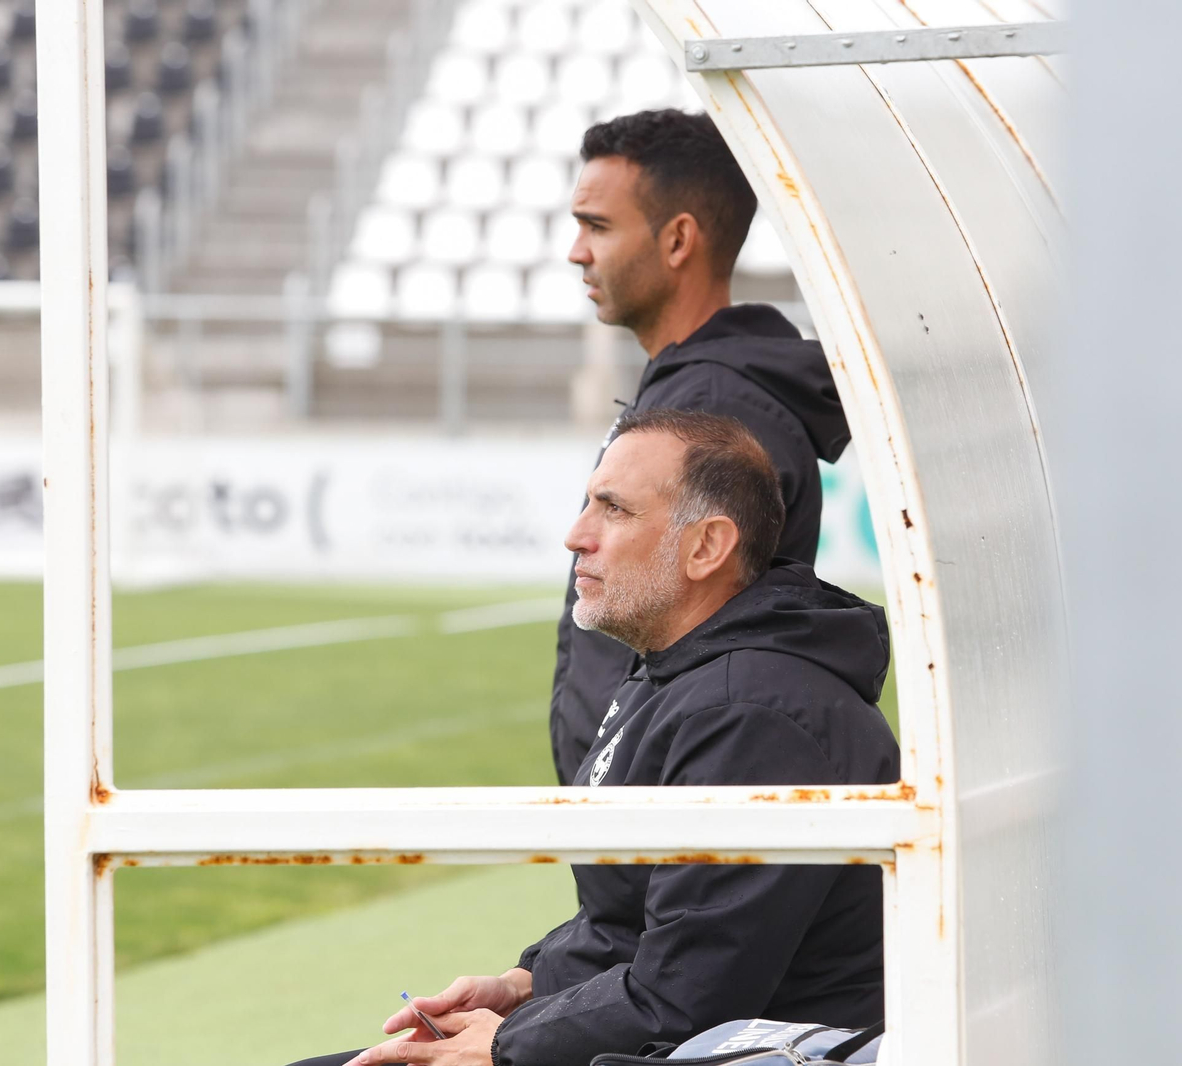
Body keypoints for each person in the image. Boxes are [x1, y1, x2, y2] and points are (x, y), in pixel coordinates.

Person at [285, 410, 899, 1066]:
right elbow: (630, 923)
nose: (577, 535)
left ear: (706, 547)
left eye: (613, 509)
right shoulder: (680, 674)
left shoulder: (751, 715)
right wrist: (524, 987)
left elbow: (685, 999)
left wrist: (506, 1046)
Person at [551, 108, 852, 786]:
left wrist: (622, 794)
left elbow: (690, 633)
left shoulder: (711, 411)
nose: (577, 251)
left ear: (679, 239)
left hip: (668, 818)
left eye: (597, 226)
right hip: (653, 813)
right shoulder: (698, 390)